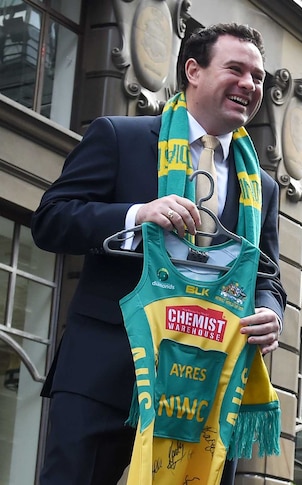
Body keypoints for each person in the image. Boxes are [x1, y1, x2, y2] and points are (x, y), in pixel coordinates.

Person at [32, 23, 286, 485]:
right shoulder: (119, 137)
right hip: (105, 374)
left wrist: (270, 312)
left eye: (259, 76)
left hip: (203, 389)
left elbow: (267, 276)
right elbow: (51, 220)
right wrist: (135, 215)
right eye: (236, 69)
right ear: (193, 70)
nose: (250, 85)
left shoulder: (263, 187)